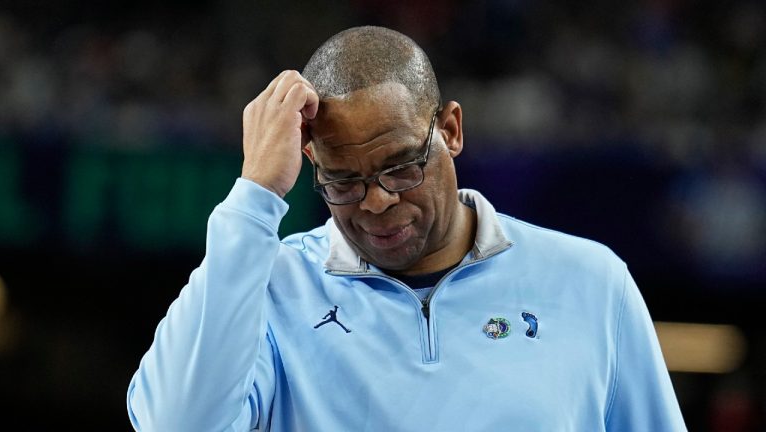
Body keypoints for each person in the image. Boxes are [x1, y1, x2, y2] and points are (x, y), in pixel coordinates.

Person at [127, 26, 686, 431]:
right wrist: (253, 199)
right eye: (342, 182)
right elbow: (178, 422)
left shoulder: (591, 283)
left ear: (451, 129)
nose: (375, 203)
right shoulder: (269, 288)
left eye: (400, 168)